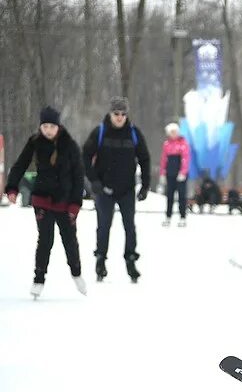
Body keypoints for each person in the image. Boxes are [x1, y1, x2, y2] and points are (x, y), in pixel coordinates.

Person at [4, 105, 87, 298]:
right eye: (45, 126)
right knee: (45, 241)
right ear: (40, 126)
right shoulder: (35, 142)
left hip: (65, 202)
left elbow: (78, 175)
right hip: (42, 199)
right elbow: (20, 164)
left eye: (52, 126)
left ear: (58, 126)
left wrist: (76, 203)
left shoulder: (70, 145)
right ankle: (38, 279)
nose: (48, 130)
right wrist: (12, 187)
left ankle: (76, 273)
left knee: (70, 241)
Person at [82, 96, 151, 283]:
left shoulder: (134, 133)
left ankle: (130, 260)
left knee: (130, 226)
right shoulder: (100, 132)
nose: (119, 117)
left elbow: (144, 159)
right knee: (104, 226)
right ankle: (100, 260)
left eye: (123, 114)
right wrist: (93, 181)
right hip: (104, 188)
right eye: (116, 114)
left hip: (127, 189)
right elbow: (85, 156)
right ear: (110, 114)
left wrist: (145, 185)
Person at [159, 122, 190, 228]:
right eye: (171, 132)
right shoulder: (166, 145)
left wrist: (183, 172)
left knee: (182, 196)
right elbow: (164, 160)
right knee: (170, 196)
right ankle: (168, 216)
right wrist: (163, 173)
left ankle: (182, 217)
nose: (173, 134)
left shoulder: (183, 143)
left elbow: (185, 158)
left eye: (175, 131)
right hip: (170, 173)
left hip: (180, 173)